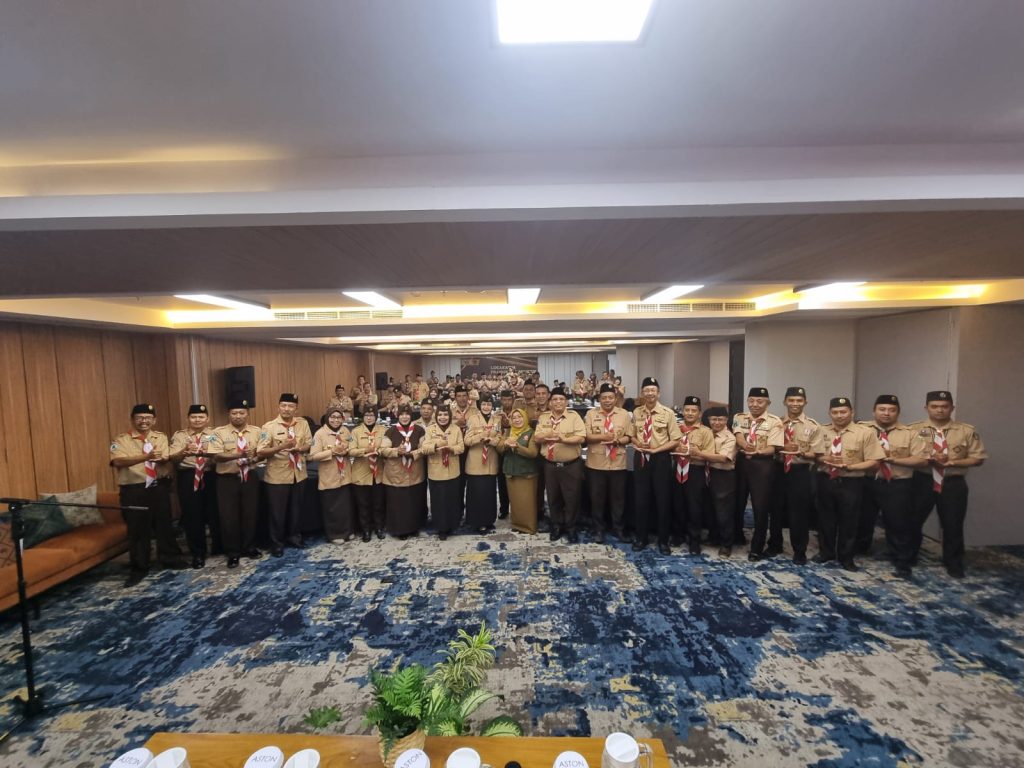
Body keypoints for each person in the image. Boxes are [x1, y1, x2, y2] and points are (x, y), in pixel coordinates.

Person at [908, 390, 988, 578]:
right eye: (935, 406)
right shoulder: (912, 430)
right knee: (912, 520)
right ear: (926, 408)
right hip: (922, 480)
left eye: (944, 406)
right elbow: (906, 455)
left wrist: (953, 462)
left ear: (952, 408)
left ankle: (954, 562)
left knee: (953, 524)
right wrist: (927, 459)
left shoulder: (966, 431)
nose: (940, 410)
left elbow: (978, 458)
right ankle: (908, 556)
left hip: (952, 482)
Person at [109, 403, 185, 586]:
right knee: (137, 529)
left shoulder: (160, 437)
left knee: (164, 524)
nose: (144, 421)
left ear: (154, 420)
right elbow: (118, 461)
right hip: (134, 489)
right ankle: (139, 566)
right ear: (132, 420)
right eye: (140, 418)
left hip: (158, 487)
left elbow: (164, 456)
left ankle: (170, 558)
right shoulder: (121, 440)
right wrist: (146, 457)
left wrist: (165, 457)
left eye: (148, 418)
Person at [858, 394, 929, 578]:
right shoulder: (861, 429)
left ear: (898, 412)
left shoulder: (910, 433)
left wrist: (891, 459)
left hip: (897, 483)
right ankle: (859, 550)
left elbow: (921, 460)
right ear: (874, 411)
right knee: (862, 519)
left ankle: (902, 561)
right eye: (882, 409)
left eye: (891, 410)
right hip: (867, 481)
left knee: (898, 523)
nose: (886, 413)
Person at [814, 397, 885, 572]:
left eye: (843, 412)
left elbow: (874, 461)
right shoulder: (821, 430)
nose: (839, 415)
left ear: (851, 412)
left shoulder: (865, 433)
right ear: (829, 413)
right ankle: (826, 552)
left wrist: (850, 467)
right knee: (825, 519)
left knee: (850, 520)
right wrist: (826, 458)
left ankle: (846, 557)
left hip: (851, 481)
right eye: (835, 412)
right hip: (825, 479)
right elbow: (815, 455)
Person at [768, 386, 823, 565]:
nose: (795, 404)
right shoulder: (776, 423)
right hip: (778, 469)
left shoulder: (813, 426)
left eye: (799, 400)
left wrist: (800, 452)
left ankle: (799, 550)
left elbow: (817, 453)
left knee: (798, 512)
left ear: (805, 402)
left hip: (800, 471)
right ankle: (774, 545)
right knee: (775, 509)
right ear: (785, 402)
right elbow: (768, 445)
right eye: (791, 400)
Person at [255, 393, 312, 556]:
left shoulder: (303, 423)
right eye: (283, 405)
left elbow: (309, 443)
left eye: (291, 406)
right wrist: (281, 447)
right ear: (278, 407)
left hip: (299, 474)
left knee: (296, 509)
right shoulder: (269, 427)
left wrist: (299, 448)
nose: (287, 409)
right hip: (277, 476)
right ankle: (277, 543)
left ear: (296, 408)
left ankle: (294, 537)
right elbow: (261, 451)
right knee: (277, 513)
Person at [208, 398, 262, 568]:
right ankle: (233, 552)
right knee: (228, 517)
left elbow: (261, 452)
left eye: (241, 413)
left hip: (249, 477)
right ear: (229, 414)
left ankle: (249, 547)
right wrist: (239, 455)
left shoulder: (257, 431)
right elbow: (216, 456)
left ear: (248, 414)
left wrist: (255, 457)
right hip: (227, 479)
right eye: (234, 413)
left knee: (250, 513)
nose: (238, 416)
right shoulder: (218, 433)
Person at [732, 387, 784, 561]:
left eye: (760, 401)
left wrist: (758, 452)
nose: (755, 404)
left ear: (768, 403)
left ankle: (757, 547)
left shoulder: (775, 422)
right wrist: (745, 445)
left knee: (760, 508)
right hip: (741, 464)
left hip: (762, 466)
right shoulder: (739, 417)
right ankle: (737, 535)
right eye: (751, 401)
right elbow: (738, 435)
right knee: (737, 502)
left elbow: (773, 447)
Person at [631, 377, 683, 554]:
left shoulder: (668, 413)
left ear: (658, 393)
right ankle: (641, 538)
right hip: (641, 458)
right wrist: (638, 442)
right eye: (646, 390)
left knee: (662, 500)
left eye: (653, 390)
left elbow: (676, 440)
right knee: (641, 499)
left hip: (660, 459)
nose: (650, 393)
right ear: (642, 393)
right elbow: (632, 435)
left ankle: (663, 541)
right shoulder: (637, 412)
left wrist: (657, 449)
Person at [535, 386, 587, 542]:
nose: (558, 402)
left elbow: (581, 438)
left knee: (572, 498)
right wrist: (548, 435)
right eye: (555, 399)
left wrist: (563, 439)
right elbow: (537, 438)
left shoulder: (574, 417)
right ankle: (556, 525)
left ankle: (571, 527)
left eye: (561, 399)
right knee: (553, 497)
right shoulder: (544, 417)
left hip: (571, 465)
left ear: (566, 402)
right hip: (550, 465)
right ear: (550, 402)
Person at [169, 403, 217, 569]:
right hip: (188, 476)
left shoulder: (214, 434)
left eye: (201, 417)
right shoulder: (180, 436)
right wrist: (184, 450)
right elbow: (172, 458)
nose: (197, 420)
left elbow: (221, 454)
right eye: (194, 417)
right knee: (192, 516)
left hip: (210, 475)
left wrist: (207, 452)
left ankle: (218, 547)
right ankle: (198, 553)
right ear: (188, 418)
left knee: (215, 513)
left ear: (207, 419)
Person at [584, 382, 633, 543]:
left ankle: (618, 529)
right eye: (604, 398)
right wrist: (602, 437)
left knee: (618, 499)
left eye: (610, 397)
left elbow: (629, 437)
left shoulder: (624, 414)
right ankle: (598, 529)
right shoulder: (591, 414)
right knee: (597, 499)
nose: (607, 400)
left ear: (615, 398)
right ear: (599, 399)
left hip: (618, 463)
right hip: (596, 464)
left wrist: (618, 441)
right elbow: (586, 437)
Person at [671, 396, 715, 555]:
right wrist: (676, 450)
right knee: (677, 503)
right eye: (687, 410)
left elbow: (710, 454)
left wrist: (695, 452)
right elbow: (668, 445)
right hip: (677, 468)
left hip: (695, 470)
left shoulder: (705, 432)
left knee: (694, 506)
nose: (690, 413)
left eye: (693, 411)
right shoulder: (676, 428)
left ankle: (694, 539)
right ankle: (678, 535)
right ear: (683, 411)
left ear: (700, 413)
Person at [309, 406, 357, 542]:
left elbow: (351, 447)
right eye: (333, 417)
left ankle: (348, 531)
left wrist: (346, 451)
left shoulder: (345, 431)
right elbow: (313, 456)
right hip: (329, 476)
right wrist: (332, 452)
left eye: (339, 417)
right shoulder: (320, 434)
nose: (336, 420)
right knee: (332, 508)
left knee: (346, 506)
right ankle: (335, 535)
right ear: (327, 418)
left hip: (345, 475)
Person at [380, 404, 426, 539]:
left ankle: (414, 528)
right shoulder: (390, 431)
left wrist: (413, 453)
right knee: (398, 504)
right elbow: (382, 450)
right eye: (401, 414)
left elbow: (424, 448)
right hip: (396, 474)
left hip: (414, 472)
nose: (404, 417)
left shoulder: (419, 430)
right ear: (397, 415)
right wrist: (396, 451)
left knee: (414, 502)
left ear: (411, 416)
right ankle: (400, 530)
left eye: (407, 414)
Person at [421, 405, 465, 539]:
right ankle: (441, 528)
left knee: (452, 499)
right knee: (439, 501)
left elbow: (461, 447)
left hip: (452, 470)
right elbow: (424, 448)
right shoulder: (430, 430)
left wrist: (451, 448)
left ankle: (453, 524)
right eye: (440, 415)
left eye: (445, 415)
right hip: (436, 471)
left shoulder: (455, 429)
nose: (443, 417)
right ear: (436, 416)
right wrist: (436, 445)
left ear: (449, 416)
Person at [464, 396, 504, 533]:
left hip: (491, 461)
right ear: (480, 405)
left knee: (489, 494)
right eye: (484, 404)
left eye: (489, 404)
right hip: (476, 461)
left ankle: (489, 520)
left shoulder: (496, 419)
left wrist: (491, 441)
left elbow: (499, 437)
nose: (486, 407)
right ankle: (477, 522)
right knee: (477, 494)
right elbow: (467, 440)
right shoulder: (472, 419)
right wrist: (480, 437)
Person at [348, 408, 389, 541]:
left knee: (378, 503)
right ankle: (365, 530)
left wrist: (379, 450)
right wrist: (365, 450)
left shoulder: (383, 430)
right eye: (366, 415)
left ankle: (379, 527)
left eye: (372, 415)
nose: (369, 418)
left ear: (376, 416)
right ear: (363, 416)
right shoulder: (355, 431)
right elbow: (350, 451)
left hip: (378, 473)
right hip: (361, 473)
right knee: (363, 504)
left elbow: (387, 446)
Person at [703, 406, 738, 558]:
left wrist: (698, 453)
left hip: (724, 475)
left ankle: (726, 545)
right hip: (708, 473)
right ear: (709, 420)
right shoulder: (706, 433)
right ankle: (714, 537)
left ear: (726, 420)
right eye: (714, 419)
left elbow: (723, 458)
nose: (717, 422)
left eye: (721, 419)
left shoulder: (730, 437)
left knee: (724, 512)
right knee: (710, 508)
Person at [502, 408, 540, 534]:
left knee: (527, 502)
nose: (517, 420)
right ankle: (517, 525)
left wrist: (517, 446)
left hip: (526, 473)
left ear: (525, 418)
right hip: (511, 472)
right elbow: (500, 449)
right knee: (515, 502)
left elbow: (533, 453)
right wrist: (505, 445)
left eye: (520, 417)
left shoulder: (531, 432)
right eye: (514, 418)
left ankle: (529, 527)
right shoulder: (508, 432)